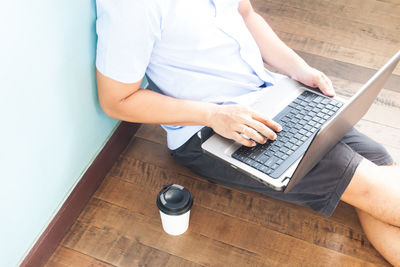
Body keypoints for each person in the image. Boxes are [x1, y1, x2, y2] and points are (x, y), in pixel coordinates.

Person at [95, 0, 400, 264]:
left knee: (377, 160)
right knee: (369, 186)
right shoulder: (132, 6)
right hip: (209, 132)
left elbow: (246, 14)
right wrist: (213, 115)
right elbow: (116, 100)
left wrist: (297, 68)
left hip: (270, 95)